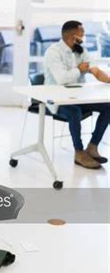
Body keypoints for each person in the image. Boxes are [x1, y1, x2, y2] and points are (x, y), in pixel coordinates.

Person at [44, 20, 110, 169]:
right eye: (82, 33)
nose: (84, 36)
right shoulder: (53, 52)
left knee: (108, 107)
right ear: (73, 36)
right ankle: (79, 153)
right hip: (56, 99)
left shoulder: (81, 51)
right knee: (74, 111)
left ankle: (92, 147)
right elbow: (61, 79)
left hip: (78, 97)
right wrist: (79, 69)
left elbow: (96, 71)